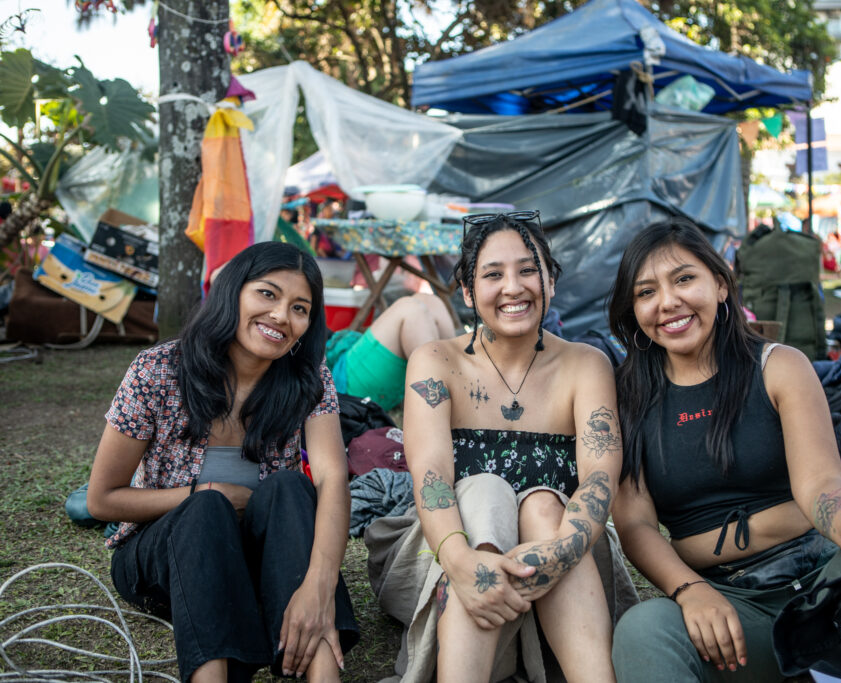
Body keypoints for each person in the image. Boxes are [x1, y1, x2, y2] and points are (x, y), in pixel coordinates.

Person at [606, 219, 841, 683]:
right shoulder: (627, 397)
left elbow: (822, 481)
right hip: (730, 611)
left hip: (823, 582)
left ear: (721, 284)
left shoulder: (779, 366)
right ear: (633, 307)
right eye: (646, 292)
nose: (668, 302)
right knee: (643, 630)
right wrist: (690, 590)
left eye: (684, 278)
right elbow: (635, 524)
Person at [364, 210, 637, 682]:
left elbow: (599, 476)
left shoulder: (585, 365)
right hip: (446, 554)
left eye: (528, 270)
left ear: (550, 279)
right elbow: (431, 475)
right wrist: (463, 563)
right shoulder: (436, 361)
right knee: (486, 490)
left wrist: (557, 554)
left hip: (561, 569)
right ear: (468, 292)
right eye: (493, 274)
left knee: (544, 506)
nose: (513, 288)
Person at [86, 242, 359, 682]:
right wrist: (203, 493)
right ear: (233, 291)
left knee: (291, 488)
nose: (280, 316)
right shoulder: (157, 370)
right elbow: (102, 500)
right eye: (267, 294)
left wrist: (319, 586)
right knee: (206, 509)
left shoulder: (309, 379)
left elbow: (332, 478)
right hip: (160, 556)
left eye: (300, 308)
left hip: (253, 557)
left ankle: (322, 674)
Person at [326, 292, 457, 410]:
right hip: (339, 386)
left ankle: (460, 393)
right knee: (411, 310)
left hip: (340, 351)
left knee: (429, 301)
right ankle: (442, 410)